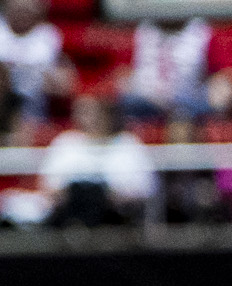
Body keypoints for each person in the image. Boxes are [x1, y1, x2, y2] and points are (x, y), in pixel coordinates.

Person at [16, 92, 156, 227]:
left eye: (97, 113)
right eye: (85, 112)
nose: (93, 119)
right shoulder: (66, 142)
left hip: (116, 219)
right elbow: (49, 189)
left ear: (109, 113)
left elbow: (145, 190)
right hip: (69, 218)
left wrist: (104, 195)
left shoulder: (128, 144)